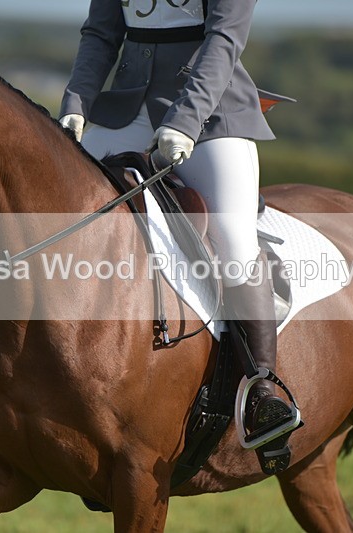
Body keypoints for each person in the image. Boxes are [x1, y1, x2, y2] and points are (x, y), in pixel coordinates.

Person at [59, 0, 299, 456]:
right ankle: (4, 372)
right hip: (124, 112)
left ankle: (263, 389)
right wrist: (76, 103)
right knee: (55, 215)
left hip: (212, 115)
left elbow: (224, 38)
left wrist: (186, 120)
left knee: (233, 242)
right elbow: (101, 34)